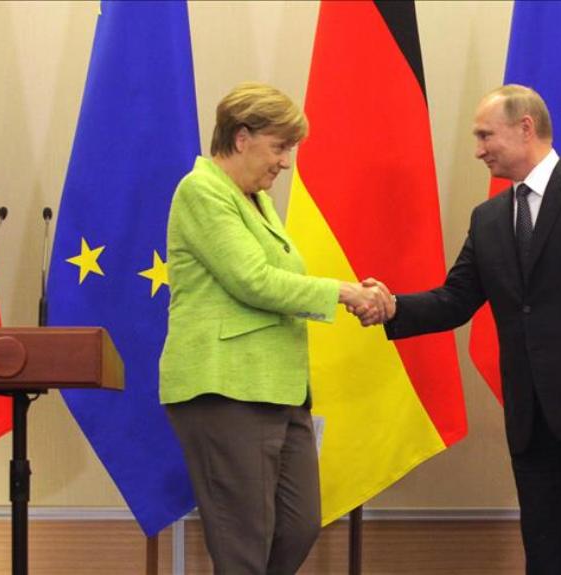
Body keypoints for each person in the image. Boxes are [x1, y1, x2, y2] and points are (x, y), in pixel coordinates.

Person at [365, 85, 561, 574]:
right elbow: (456, 299)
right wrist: (390, 307)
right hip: (532, 417)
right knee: (544, 555)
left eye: (485, 135)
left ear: (526, 128)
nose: (478, 149)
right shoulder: (489, 218)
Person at [159, 82, 389, 575]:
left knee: (299, 524)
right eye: (279, 146)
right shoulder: (201, 190)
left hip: (280, 390)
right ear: (242, 137)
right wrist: (344, 292)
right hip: (227, 387)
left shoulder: (255, 201)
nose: (285, 162)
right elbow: (253, 281)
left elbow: (275, 280)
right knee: (244, 541)